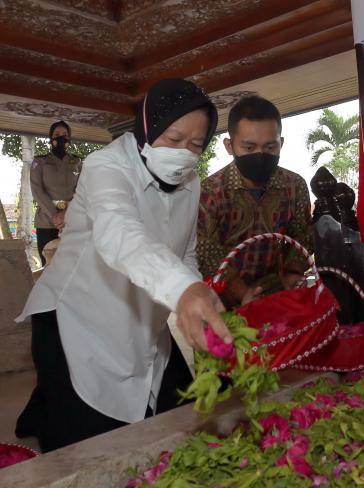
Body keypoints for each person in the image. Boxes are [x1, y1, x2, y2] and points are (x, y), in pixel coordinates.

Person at [15, 79, 232, 453]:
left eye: (196, 145)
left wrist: (195, 293)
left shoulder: (190, 181)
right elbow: (118, 233)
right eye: (174, 138)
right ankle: (48, 399)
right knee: (88, 450)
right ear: (147, 127)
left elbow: (184, 253)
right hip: (76, 317)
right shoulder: (107, 165)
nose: (184, 154)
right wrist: (182, 290)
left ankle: (52, 395)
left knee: (180, 424)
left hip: (141, 315)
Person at [197, 96, 312, 307]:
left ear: (281, 143)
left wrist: (293, 274)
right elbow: (207, 254)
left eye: (270, 147)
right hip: (224, 304)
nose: (260, 155)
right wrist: (244, 294)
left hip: (280, 297)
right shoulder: (209, 192)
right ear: (229, 146)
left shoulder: (294, 185)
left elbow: (302, 236)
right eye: (249, 148)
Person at [30, 120, 82, 266]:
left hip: (71, 221)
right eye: (57, 134)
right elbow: (37, 190)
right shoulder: (40, 162)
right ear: (51, 138)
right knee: (48, 267)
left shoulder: (77, 162)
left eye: (65, 135)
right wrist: (55, 215)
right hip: (46, 222)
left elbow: (81, 191)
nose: (61, 138)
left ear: (69, 139)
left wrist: (67, 214)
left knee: (72, 266)